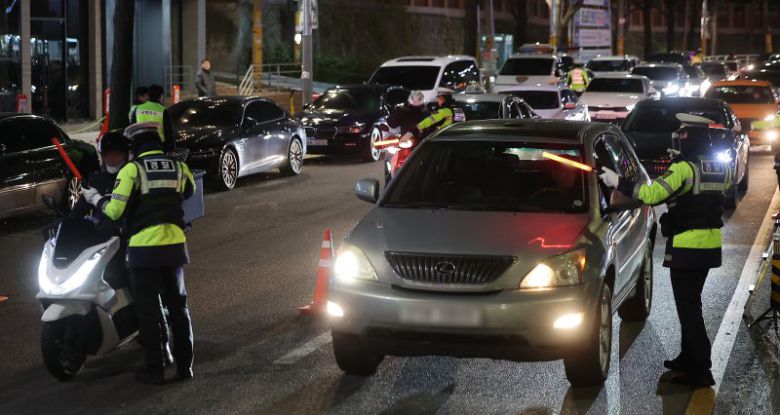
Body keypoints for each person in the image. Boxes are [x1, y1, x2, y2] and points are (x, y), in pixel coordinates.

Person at [599, 113, 731, 388]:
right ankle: (688, 357)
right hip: (709, 246)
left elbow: (651, 195)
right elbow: (708, 193)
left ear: (690, 137)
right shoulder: (719, 166)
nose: (679, 138)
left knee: (689, 308)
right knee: (691, 304)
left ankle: (701, 369)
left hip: (686, 246)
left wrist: (617, 181)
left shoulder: (683, 168)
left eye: (683, 135)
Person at [81, 122, 196, 384]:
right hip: (175, 247)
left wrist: (95, 198)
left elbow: (114, 211)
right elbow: (190, 191)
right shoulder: (178, 166)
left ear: (136, 146)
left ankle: (155, 369)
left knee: (147, 310)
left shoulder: (132, 170)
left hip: (144, 251)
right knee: (179, 307)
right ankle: (185, 367)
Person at [71, 131, 130, 288]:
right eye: (107, 154)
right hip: (99, 245)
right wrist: (66, 223)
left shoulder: (131, 177)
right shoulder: (96, 180)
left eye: (116, 153)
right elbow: (79, 210)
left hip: (127, 243)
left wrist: (97, 199)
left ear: (124, 154)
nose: (111, 158)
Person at [130, 84, 176, 153]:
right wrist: (171, 148)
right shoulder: (163, 110)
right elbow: (168, 131)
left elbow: (132, 127)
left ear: (148, 95)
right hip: (159, 145)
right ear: (161, 96)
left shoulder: (138, 108)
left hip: (140, 143)